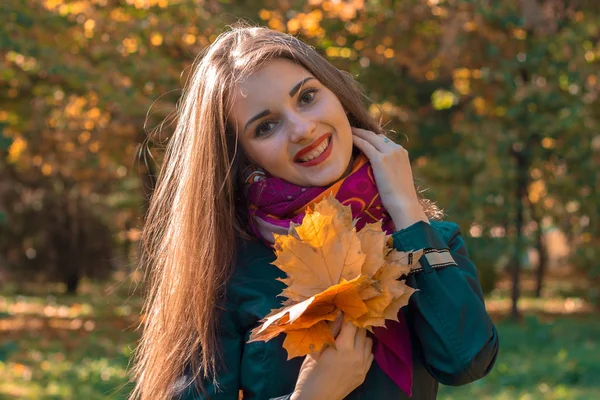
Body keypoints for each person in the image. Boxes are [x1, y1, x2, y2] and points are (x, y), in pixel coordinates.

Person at [129, 24, 499, 400]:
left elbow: (466, 360)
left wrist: (404, 208)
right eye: (266, 126)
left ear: (336, 95)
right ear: (240, 156)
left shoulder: (425, 236)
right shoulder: (226, 272)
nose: (302, 129)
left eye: (306, 97)